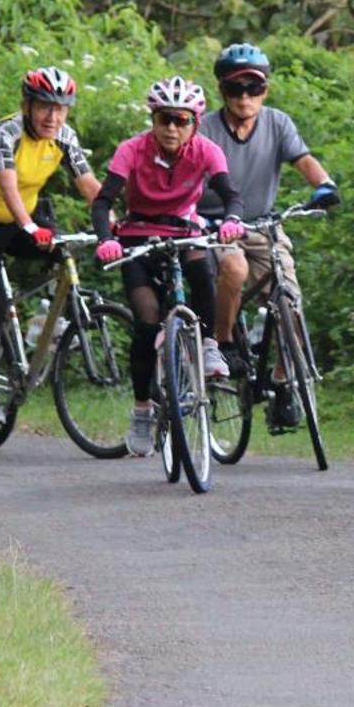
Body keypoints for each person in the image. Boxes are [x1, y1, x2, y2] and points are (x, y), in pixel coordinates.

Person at [91, 75, 245, 457]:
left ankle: (209, 345)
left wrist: (231, 220)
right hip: (137, 236)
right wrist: (106, 239)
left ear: (195, 121)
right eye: (164, 119)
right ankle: (142, 411)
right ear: (153, 120)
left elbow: (231, 196)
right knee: (146, 322)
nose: (172, 128)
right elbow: (102, 202)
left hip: (183, 232)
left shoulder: (207, 151)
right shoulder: (131, 150)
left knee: (202, 268)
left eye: (181, 120)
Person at [0, 66, 102, 425]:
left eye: (61, 108)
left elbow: (89, 184)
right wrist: (30, 227)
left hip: (24, 220)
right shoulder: (6, 132)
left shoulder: (64, 136)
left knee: (64, 253)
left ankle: (45, 319)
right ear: (27, 106)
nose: (53, 117)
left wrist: (114, 223)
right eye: (44, 107)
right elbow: (8, 185)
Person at [199, 42, 339, 424]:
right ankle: (224, 343)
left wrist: (324, 185)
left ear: (266, 90)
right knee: (235, 269)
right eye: (235, 89)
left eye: (253, 88)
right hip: (215, 226)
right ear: (221, 92)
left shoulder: (277, 123)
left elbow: (303, 160)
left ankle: (280, 382)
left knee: (290, 300)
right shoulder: (204, 128)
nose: (245, 97)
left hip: (263, 226)